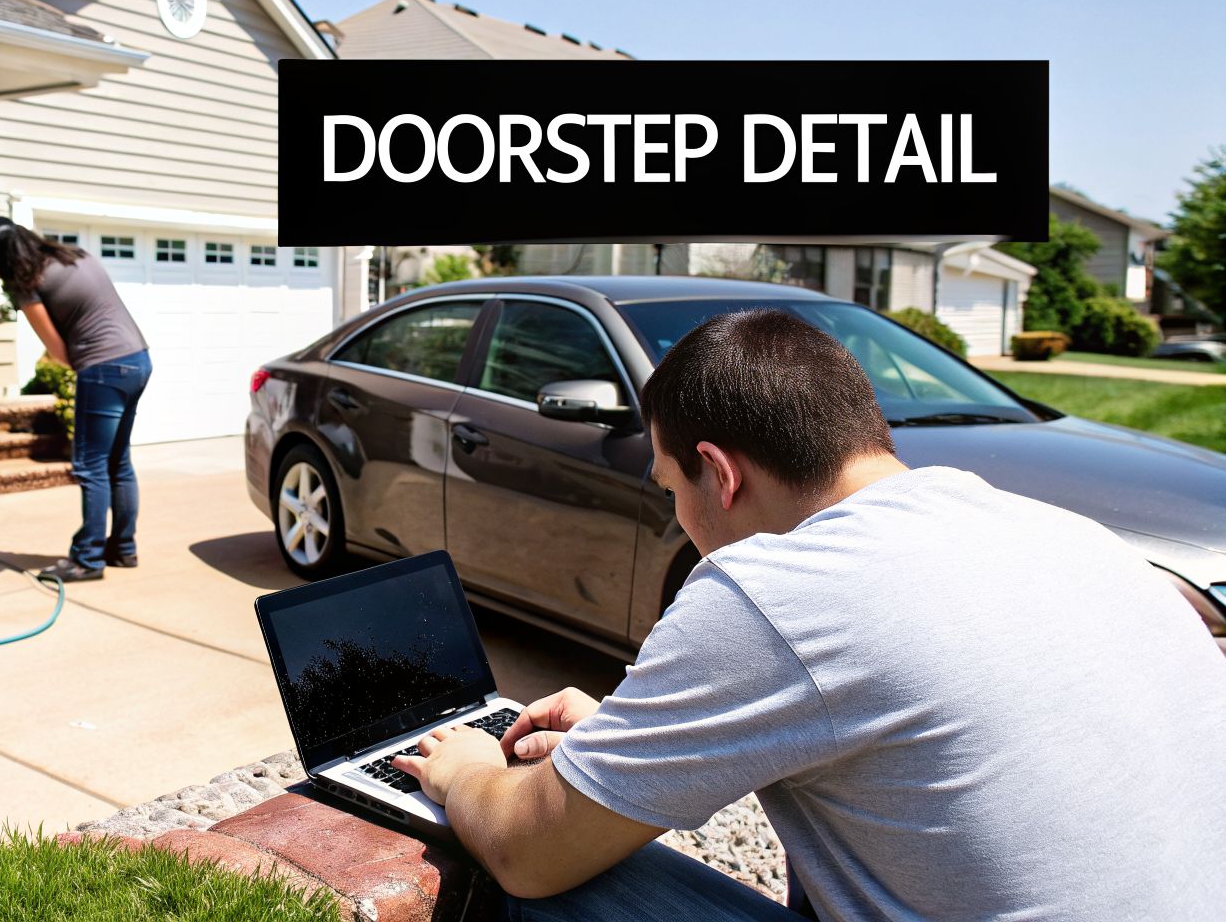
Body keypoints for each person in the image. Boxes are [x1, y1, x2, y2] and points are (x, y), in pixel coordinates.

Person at [393, 308, 1226, 921]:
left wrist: (465, 769)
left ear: (718, 474)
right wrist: (626, 736)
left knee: (548, 884)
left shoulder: (774, 591)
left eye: (671, 488)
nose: (681, 513)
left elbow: (528, 852)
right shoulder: (1065, 534)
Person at [0, 217, 151, 582]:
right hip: (138, 360)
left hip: (103, 367)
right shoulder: (73, 256)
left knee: (91, 466)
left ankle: (87, 559)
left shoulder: (25, 282)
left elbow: (57, 350)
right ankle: (124, 549)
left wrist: (84, 370)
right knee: (118, 462)